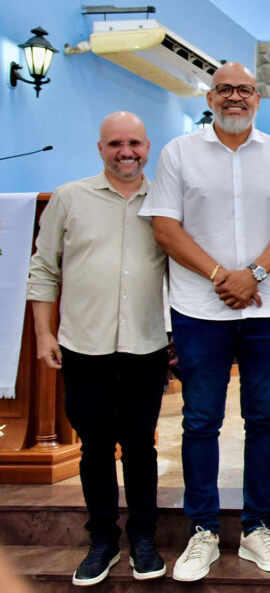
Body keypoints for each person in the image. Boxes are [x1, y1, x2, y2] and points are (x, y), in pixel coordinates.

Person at [140, 62, 270, 582]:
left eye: (245, 90)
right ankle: (203, 532)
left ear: (258, 98)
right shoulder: (178, 153)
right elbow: (165, 226)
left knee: (263, 420)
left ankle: (257, 528)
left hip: (267, 307)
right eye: (226, 90)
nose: (235, 98)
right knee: (200, 420)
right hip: (198, 308)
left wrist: (252, 274)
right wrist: (220, 274)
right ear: (210, 97)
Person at [27, 112, 168, 586]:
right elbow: (44, 270)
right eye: (115, 144)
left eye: (134, 143)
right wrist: (45, 334)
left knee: (141, 447)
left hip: (146, 343)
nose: (125, 152)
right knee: (95, 449)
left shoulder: (166, 200)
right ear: (100, 148)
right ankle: (103, 539)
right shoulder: (70, 198)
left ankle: (144, 538)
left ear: (148, 147)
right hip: (84, 345)